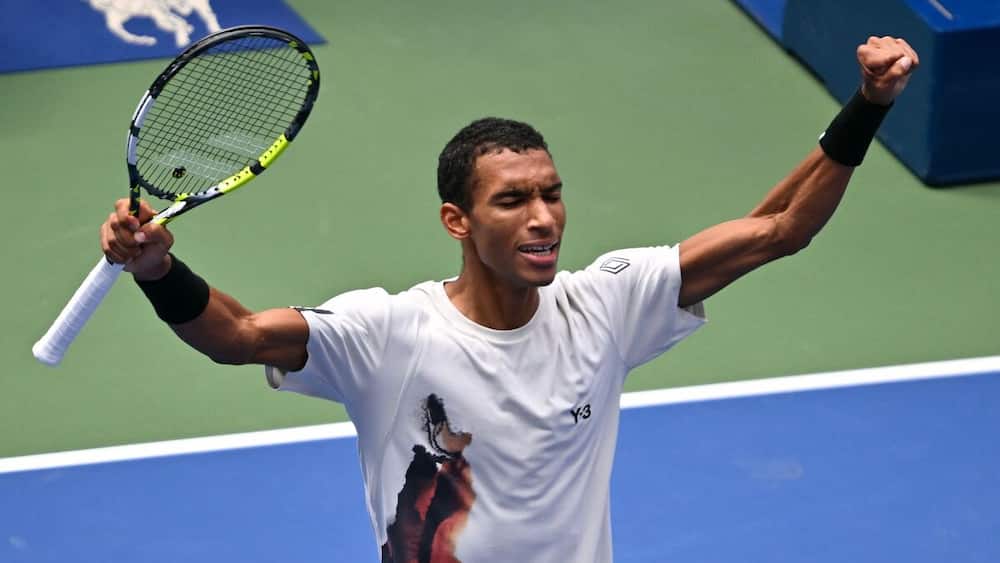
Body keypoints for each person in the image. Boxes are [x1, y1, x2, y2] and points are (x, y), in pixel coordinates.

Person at [101, 36, 919, 562]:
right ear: (456, 219)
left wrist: (868, 106)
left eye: (552, 193)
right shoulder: (386, 334)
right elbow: (237, 335)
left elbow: (778, 227)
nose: (544, 217)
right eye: (512, 200)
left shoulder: (606, 305)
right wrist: (158, 272)